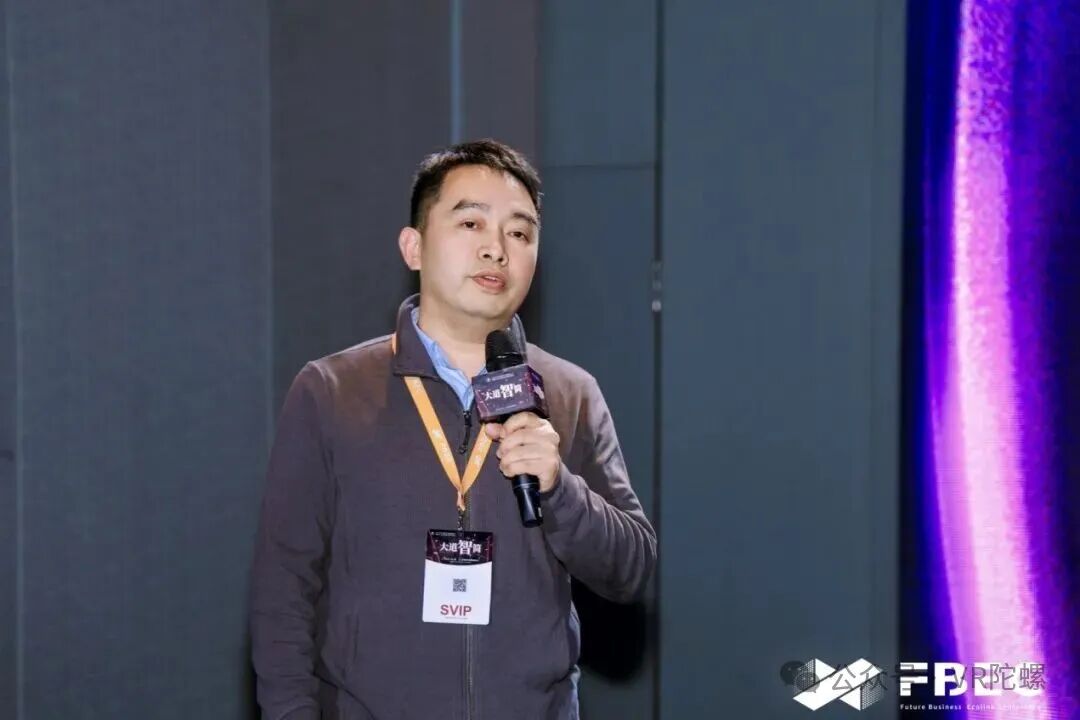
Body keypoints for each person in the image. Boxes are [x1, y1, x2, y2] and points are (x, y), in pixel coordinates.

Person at [250, 139, 656, 719]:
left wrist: (560, 489)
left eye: (520, 233)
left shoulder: (570, 394)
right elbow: (282, 591)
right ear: (413, 247)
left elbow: (631, 569)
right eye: (471, 223)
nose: (496, 248)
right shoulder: (332, 391)